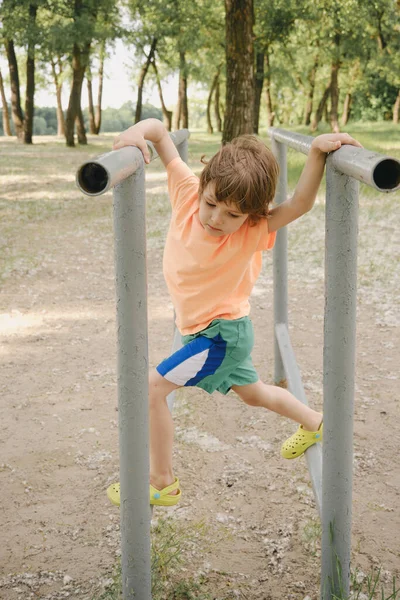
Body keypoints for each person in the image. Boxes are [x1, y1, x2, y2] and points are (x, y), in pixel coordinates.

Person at [106, 119, 362, 507]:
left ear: (251, 216)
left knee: (151, 389)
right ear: (204, 185)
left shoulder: (252, 230)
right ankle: (316, 423)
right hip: (208, 331)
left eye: (232, 215)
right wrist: (135, 135)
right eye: (212, 205)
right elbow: (159, 133)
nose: (216, 219)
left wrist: (315, 153)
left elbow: (300, 204)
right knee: (255, 394)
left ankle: (162, 482)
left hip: (221, 335)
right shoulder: (187, 192)